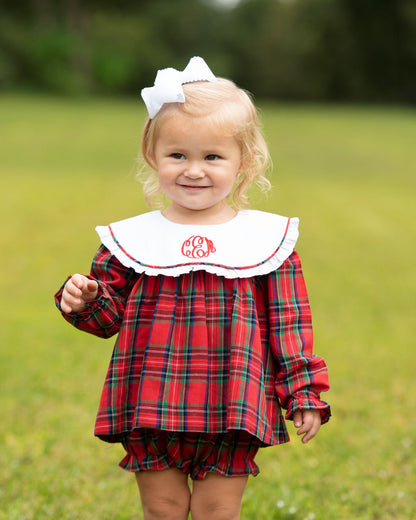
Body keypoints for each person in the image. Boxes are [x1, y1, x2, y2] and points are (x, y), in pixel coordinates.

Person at [55, 56, 330, 520]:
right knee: (161, 508)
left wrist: (302, 393)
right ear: (153, 155)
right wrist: (84, 298)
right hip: (152, 398)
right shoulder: (133, 239)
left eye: (213, 157)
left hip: (232, 399)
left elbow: (289, 325)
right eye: (178, 155)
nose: (194, 170)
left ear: (245, 161)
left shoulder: (266, 242)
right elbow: (107, 319)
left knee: (217, 510)